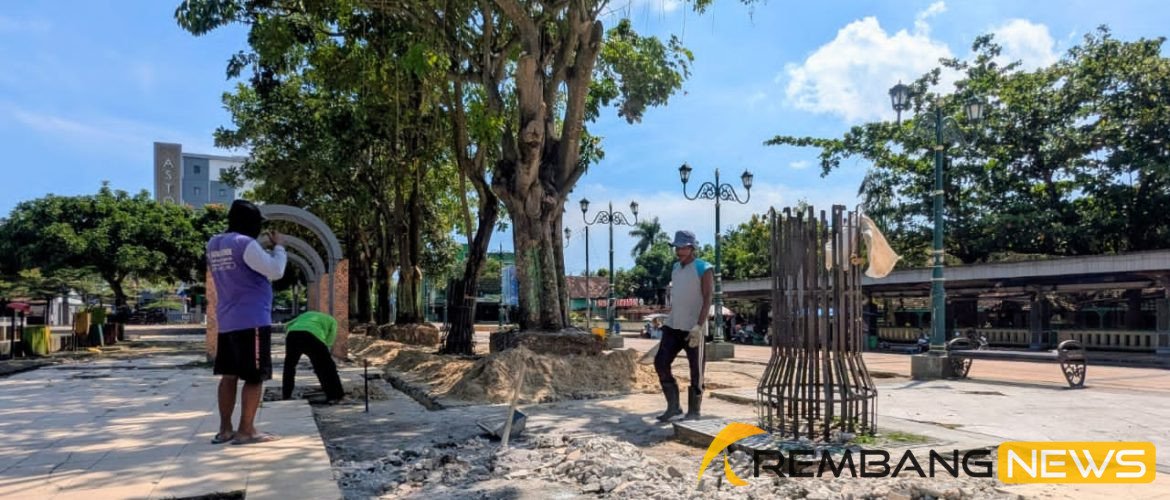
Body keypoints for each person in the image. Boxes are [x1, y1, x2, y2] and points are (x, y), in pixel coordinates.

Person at [206, 200, 287, 445]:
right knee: (254, 377)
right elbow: (275, 271)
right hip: (252, 319)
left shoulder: (213, 243)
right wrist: (279, 248)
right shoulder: (245, 243)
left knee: (228, 375)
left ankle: (225, 429)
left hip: (228, 320)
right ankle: (246, 430)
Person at [653, 230, 713, 422]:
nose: (679, 250)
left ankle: (694, 411)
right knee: (661, 362)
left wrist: (699, 325)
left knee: (696, 370)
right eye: (677, 247)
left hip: (694, 328)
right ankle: (673, 406)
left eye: (683, 247)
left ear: (692, 247)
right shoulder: (675, 269)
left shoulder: (703, 267)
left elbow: (707, 298)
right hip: (674, 325)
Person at [281, 310, 345, 403]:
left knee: (289, 366)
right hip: (313, 336)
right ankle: (335, 396)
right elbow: (330, 340)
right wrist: (324, 353)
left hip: (292, 335)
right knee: (327, 368)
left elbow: (287, 325)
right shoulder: (332, 320)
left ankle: (286, 395)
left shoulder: (305, 315)